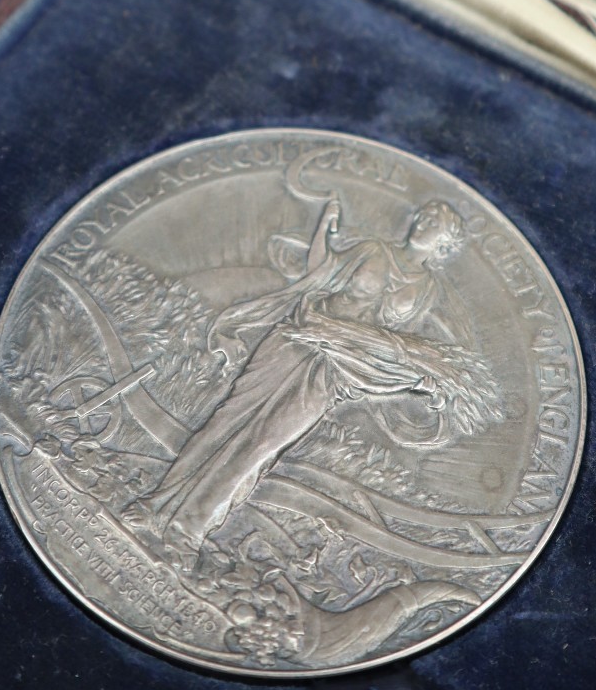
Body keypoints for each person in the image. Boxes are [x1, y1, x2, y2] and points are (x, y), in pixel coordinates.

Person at [124, 197, 494, 551]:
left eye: (434, 223)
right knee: (226, 421)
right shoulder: (373, 250)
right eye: (425, 215)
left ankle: (189, 528)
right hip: (298, 337)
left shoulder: (426, 290)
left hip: (340, 368)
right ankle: (153, 505)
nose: (423, 222)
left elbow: (396, 340)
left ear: (444, 244)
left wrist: (416, 377)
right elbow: (321, 273)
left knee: (264, 444)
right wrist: (323, 228)